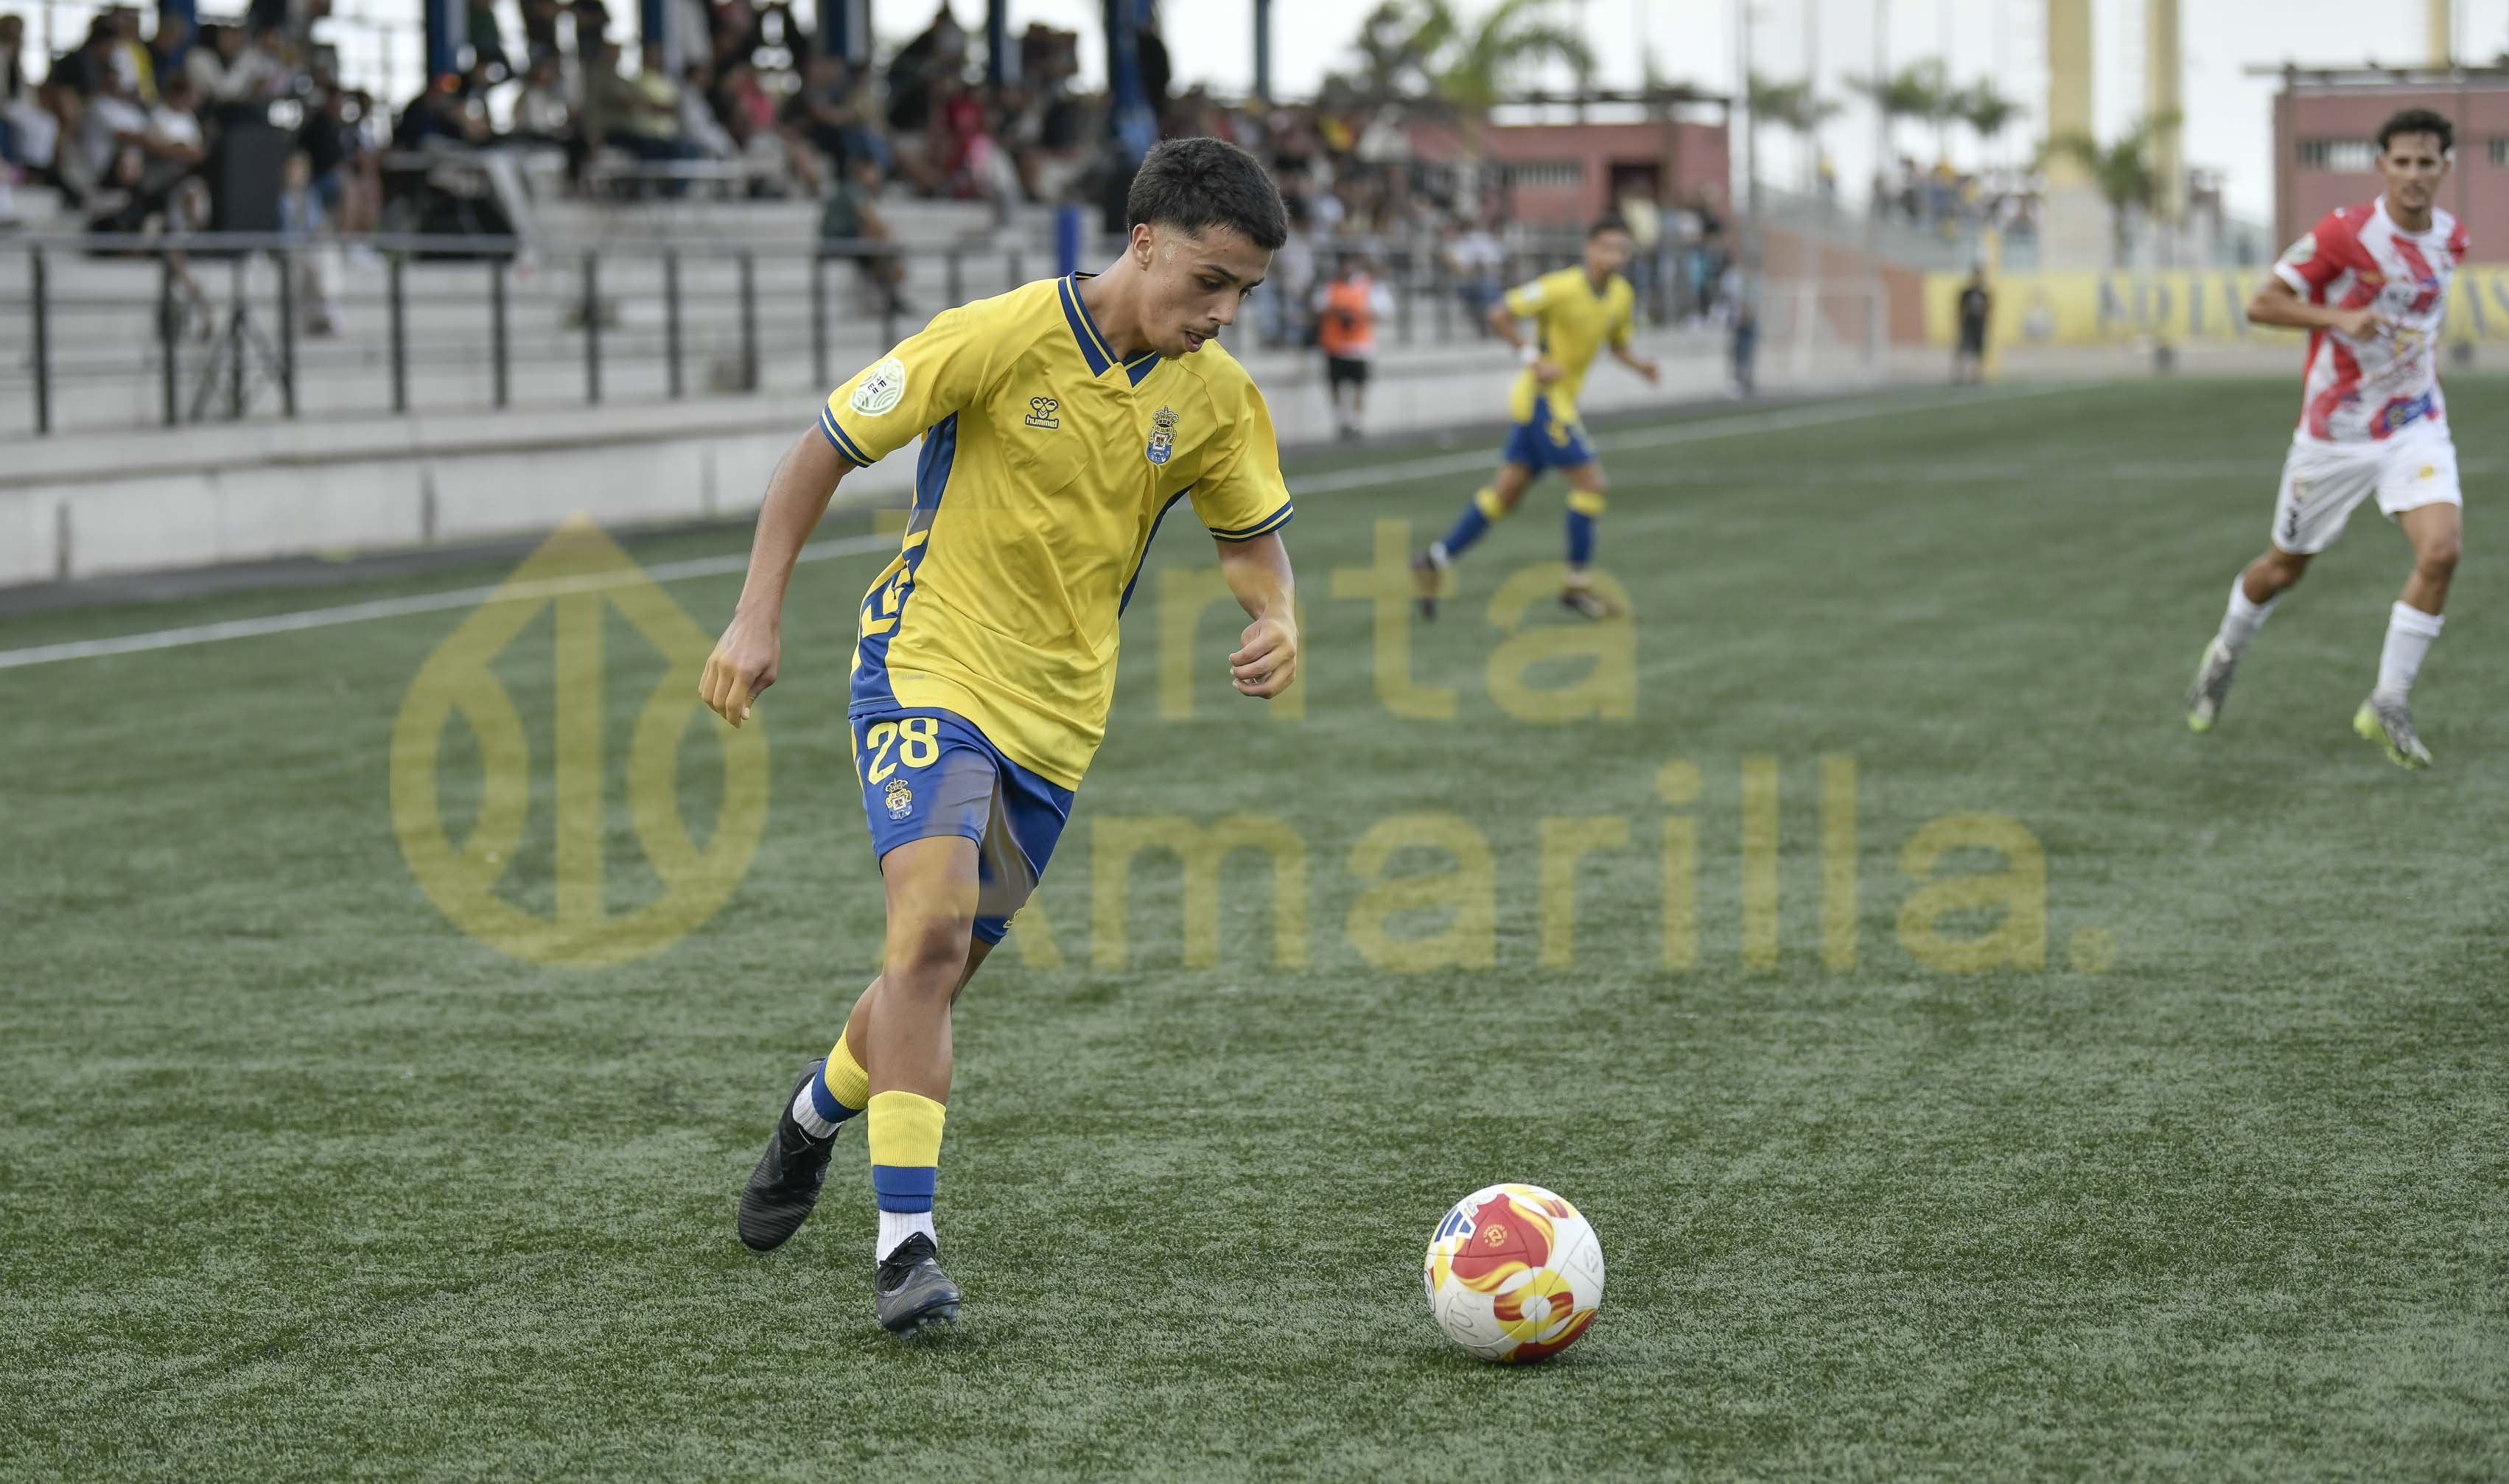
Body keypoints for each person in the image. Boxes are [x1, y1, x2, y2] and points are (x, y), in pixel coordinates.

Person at [704, 136, 1299, 1334]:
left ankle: (812, 1116)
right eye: (1209, 281)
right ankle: (905, 1248)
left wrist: (1277, 613)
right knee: (925, 933)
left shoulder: (1219, 397)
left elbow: (1249, 540)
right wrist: (755, 614)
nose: (1223, 314)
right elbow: (822, 448)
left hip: (1059, 723)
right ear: (1143, 242)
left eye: (1244, 292)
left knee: (929, 976)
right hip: (926, 669)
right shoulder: (997, 335)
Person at [2185, 108, 2468, 769]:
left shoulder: (2451, 238)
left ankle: (2387, 701)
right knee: (2283, 568)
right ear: (2381, 166)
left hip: (2414, 426)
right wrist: (2337, 318)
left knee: (2442, 552)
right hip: (2333, 437)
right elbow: (2261, 303)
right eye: (2402, 162)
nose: (2413, 174)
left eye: (2426, 163)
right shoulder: (2344, 232)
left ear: (2444, 169)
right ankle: (2224, 654)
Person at [1413, 215, 1660, 622]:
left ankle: (1433, 560)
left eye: (1622, 249)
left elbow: (1618, 344)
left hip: (1556, 405)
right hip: (1544, 402)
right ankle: (1577, 585)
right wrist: (1533, 358)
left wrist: (1642, 367)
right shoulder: (1560, 287)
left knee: (1505, 494)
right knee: (1592, 485)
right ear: (1590, 249)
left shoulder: (1621, 295)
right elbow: (1499, 313)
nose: (1616, 256)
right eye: (1608, 247)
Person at [1312, 248, 1390, 440]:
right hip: (1335, 345)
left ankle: (1356, 421)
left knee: (1359, 385)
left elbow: (1383, 311)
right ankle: (1341, 420)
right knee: (1336, 385)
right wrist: (1338, 312)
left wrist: (1358, 315)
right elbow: (1318, 308)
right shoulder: (1330, 286)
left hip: (1359, 346)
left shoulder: (1369, 286)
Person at [1953, 267, 1991, 385]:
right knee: (1963, 350)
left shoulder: (1984, 294)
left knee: (1979, 351)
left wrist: (1987, 324)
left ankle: (1977, 375)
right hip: (1968, 323)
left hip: (1979, 324)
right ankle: (1960, 375)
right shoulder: (1967, 293)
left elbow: (1987, 311)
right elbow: (1961, 308)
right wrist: (1960, 322)